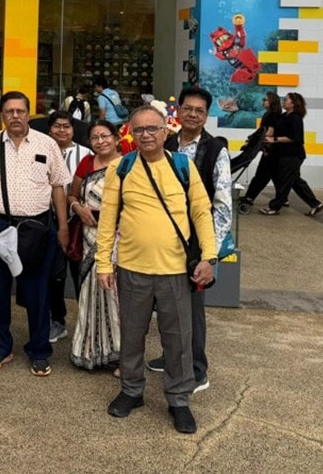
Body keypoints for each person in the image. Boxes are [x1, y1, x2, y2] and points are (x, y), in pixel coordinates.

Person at [97, 105, 216, 435]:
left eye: (153, 128)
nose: (146, 135)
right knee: (132, 334)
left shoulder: (183, 166)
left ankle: (178, 399)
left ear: (166, 132)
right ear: (130, 134)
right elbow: (107, 219)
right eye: (139, 130)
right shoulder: (121, 168)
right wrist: (104, 263)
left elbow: (202, 212)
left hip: (175, 271)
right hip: (131, 268)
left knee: (178, 339)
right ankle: (131, 390)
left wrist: (209, 257)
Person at [0, 91, 71, 376]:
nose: (15, 116)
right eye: (9, 111)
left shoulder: (47, 143)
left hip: (36, 228)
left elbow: (58, 186)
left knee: (37, 292)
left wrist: (63, 226)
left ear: (29, 114)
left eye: (20, 111)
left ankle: (39, 351)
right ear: (2, 115)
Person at [145, 86, 233, 393]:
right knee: (165, 302)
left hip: (196, 241)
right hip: (164, 237)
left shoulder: (216, 150)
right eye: (188, 109)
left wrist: (210, 254)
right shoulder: (166, 142)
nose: (193, 114)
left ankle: (197, 370)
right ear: (178, 111)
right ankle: (170, 356)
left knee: (192, 309)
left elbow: (223, 206)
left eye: (200, 110)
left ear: (206, 116)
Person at [68, 120, 121, 372]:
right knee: (90, 292)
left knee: (116, 294)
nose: (101, 141)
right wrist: (78, 208)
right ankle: (88, 350)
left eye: (105, 136)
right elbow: (72, 194)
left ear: (116, 138)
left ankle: (120, 353)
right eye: (95, 137)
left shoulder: (128, 163)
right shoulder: (86, 164)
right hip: (90, 234)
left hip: (120, 237)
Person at [45, 110, 94, 343]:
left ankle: (88, 323)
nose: (62, 130)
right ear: (50, 129)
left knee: (80, 273)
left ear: (73, 130)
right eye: (57, 126)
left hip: (78, 223)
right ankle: (57, 320)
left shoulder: (86, 154)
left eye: (66, 126)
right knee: (53, 275)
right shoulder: (42, 149)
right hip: (48, 220)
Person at [260, 92, 323, 217]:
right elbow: (273, 129)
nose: (284, 101)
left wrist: (275, 139)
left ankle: (275, 207)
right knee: (295, 181)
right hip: (284, 154)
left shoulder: (295, 118)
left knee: (284, 181)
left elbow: (295, 137)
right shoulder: (284, 116)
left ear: (294, 103)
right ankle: (315, 204)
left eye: (286, 100)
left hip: (292, 155)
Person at [238, 92, 283, 214]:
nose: (263, 101)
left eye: (265, 100)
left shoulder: (272, 115)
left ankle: (250, 198)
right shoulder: (273, 114)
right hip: (272, 151)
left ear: (272, 102)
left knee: (261, 175)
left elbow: (269, 132)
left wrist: (255, 142)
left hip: (270, 151)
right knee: (274, 176)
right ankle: (282, 198)